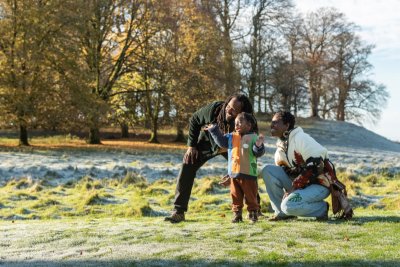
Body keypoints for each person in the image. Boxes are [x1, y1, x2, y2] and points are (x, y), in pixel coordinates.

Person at [165, 94, 262, 223]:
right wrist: (191, 146)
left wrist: (233, 171)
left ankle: (256, 210)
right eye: (228, 106)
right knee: (187, 164)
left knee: (246, 173)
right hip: (208, 144)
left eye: (234, 110)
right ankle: (178, 211)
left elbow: (251, 154)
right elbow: (194, 119)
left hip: (233, 148)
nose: (229, 110)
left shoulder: (246, 122)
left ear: (242, 114)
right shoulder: (213, 110)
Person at [261, 111, 332, 221]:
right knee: (267, 170)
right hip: (300, 186)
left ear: (287, 125)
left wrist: (294, 188)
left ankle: (322, 208)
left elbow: (317, 166)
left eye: (275, 122)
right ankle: (282, 213)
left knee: (288, 206)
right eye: (272, 122)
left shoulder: (301, 138)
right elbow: (283, 173)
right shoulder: (281, 146)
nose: (272, 125)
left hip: (318, 185)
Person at [207, 112, 265, 223]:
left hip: (249, 174)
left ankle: (253, 214)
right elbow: (221, 142)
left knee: (251, 196)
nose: (236, 124)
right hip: (233, 173)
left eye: (240, 122)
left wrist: (258, 146)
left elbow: (258, 153)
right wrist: (214, 130)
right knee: (235, 196)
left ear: (248, 126)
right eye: (236, 122)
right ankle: (237, 215)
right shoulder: (231, 136)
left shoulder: (254, 138)